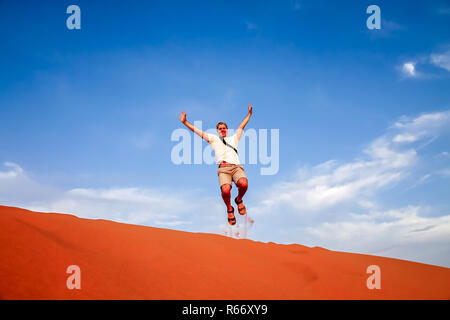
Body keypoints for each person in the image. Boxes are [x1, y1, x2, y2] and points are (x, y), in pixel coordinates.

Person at [179, 104, 253, 225]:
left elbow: (242, 126)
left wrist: (249, 114)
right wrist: (185, 122)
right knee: (225, 190)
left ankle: (239, 200)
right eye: (220, 128)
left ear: (227, 130)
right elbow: (198, 131)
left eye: (224, 128)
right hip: (223, 169)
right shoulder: (213, 138)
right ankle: (230, 208)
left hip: (236, 167)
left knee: (244, 184)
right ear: (217, 131)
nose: (222, 129)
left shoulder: (234, 138)